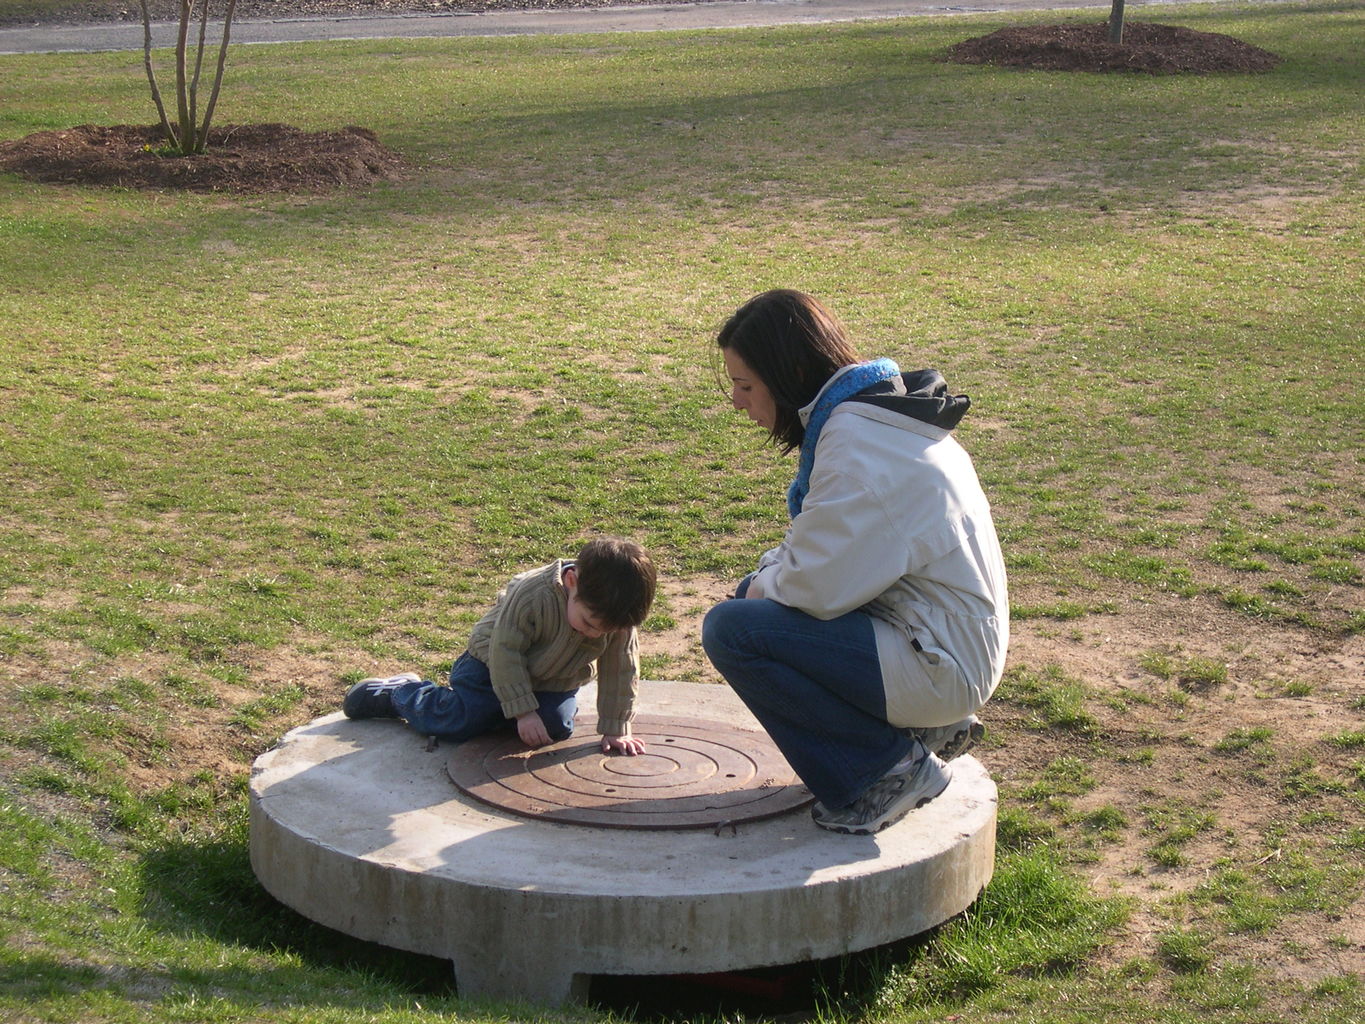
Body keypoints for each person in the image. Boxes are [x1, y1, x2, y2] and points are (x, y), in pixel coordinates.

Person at [701, 290, 1009, 835]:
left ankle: (883, 773)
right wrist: (764, 582)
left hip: (941, 661)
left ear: (790, 371)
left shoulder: (860, 446)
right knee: (757, 603)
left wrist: (756, 590)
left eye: (745, 385)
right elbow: (823, 550)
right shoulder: (875, 420)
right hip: (935, 637)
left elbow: (815, 585)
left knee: (735, 631)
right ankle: (913, 736)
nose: (736, 400)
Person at [343, 536, 657, 755]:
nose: (594, 634)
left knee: (555, 728)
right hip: (489, 665)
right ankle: (400, 692)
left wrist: (616, 726)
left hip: (551, 680)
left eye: (605, 630)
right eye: (588, 623)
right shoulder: (533, 594)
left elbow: (621, 668)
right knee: (462, 720)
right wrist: (522, 712)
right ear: (571, 582)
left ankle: (501, 711)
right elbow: (506, 652)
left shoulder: (614, 614)